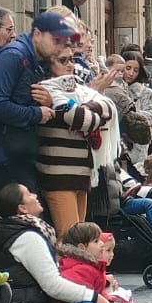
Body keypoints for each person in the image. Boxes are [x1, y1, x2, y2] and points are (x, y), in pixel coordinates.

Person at [0, 183, 116, 303]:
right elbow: (52, 285)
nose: (35, 194)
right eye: (28, 194)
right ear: (22, 208)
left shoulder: (22, 231)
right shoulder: (27, 237)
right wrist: (96, 297)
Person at [0, 11, 79, 200]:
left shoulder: (36, 59)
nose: (59, 48)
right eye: (56, 40)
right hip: (3, 161)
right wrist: (36, 113)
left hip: (17, 157)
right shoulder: (15, 56)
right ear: (38, 35)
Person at [34, 48, 119, 237]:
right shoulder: (44, 89)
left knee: (83, 238)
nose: (70, 65)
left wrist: (69, 106)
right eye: (63, 60)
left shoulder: (77, 88)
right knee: (70, 239)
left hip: (82, 173)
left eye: (71, 59)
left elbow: (106, 109)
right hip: (59, 175)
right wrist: (74, 108)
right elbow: (86, 120)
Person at [57, 221, 151, 303]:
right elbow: (86, 294)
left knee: (118, 298)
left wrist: (106, 298)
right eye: (96, 241)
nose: (101, 244)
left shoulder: (88, 265)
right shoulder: (82, 268)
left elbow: (96, 291)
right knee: (116, 300)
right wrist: (107, 302)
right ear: (82, 248)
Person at [114, 51, 152, 170]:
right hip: (115, 144)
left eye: (135, 70)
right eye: (128, 68)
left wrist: (132, 114)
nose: (131, 73)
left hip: (138, 148)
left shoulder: (146, 92)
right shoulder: (112, 90)